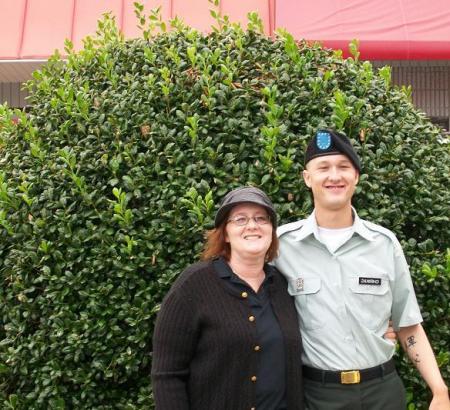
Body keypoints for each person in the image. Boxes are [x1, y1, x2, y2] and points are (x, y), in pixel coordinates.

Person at [274, 129, 450, 410]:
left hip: (381, 392)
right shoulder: (281, 246)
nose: (334, 176)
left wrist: (439, 391)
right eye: (323, 168)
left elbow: (407, 324)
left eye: (344, 167)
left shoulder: (383, 243)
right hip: (315, 395)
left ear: (356, 177)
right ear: (307, 178)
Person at [151, 187, 304, 410]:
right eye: (240, 219)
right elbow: (167, 374)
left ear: (271, 230)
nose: (252, 225)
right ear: (224, 233)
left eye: (261, 219)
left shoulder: (281, 285)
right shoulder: (194, 285)